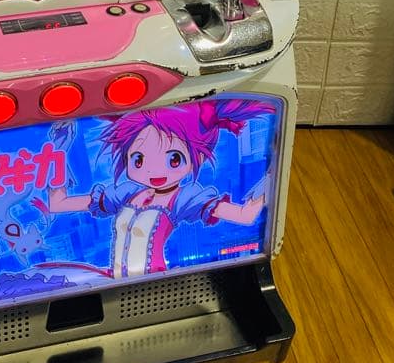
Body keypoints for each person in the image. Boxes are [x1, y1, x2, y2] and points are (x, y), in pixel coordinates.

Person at [49, 100, 272, 277]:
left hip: (154, 279)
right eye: (138, 160)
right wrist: (58, 149)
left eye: (174, 159)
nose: (154, 171)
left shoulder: (182, 199)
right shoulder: (126, 193)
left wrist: (271, 174)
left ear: (198, 158)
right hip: (112, 282)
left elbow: (244, 216)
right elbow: (58, 204)